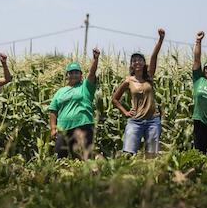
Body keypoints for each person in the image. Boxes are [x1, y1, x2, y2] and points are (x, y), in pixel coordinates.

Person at [112, 28, 165, 156]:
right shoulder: (128, 81)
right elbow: (114, 99)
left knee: (152, 154)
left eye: (140, 60)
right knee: (128, 153)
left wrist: (161, 39)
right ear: (131, 65)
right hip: (135, 121)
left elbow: (154, 57)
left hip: (153, 121)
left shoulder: (149, 78)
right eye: (134, 60)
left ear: (143, 63)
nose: (137, 62)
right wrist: (125, 112)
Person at [49, 48, 100, 160]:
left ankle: (91, 176)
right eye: (71, 73)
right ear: (67, 75)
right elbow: (53, 110)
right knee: (60, 158)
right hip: (63, 129)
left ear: (81, 75)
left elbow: (92, 73)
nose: (74, 75)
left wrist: (95, 59)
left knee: (85, 157)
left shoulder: (85, 87)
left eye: (77, 72)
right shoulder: (60, 91)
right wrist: (53, 128)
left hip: (83, 126)